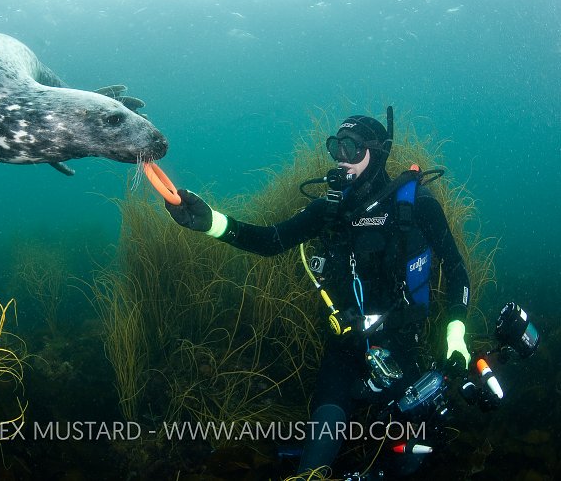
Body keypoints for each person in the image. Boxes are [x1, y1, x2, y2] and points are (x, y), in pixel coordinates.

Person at [163, 108, 472, 478]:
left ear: (379, 153)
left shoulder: (417, 206)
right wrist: (211, 222)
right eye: (336, 148)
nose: (343, 159)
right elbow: (272, 240)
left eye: (352, 149)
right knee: (319, 449)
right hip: (344, 343)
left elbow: (455, 268)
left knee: (409, 453)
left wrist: (456, 333)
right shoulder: (329, 210)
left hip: (403, 343)